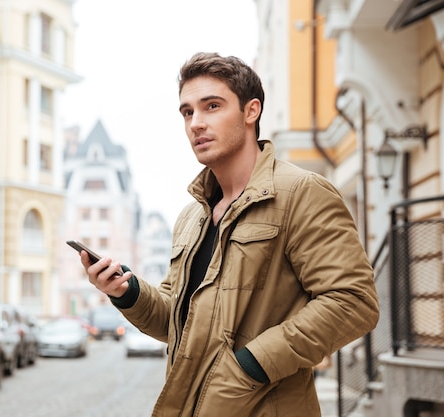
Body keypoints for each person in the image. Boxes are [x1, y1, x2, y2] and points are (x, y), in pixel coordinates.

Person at [78, 52, 379, 417]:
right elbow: (177, 322)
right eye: (187, 112)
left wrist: (251, 365)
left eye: (212, 106)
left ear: (251, 111)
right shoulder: (192, 217)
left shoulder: (302, 193)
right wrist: (126, 292)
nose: (196, 123)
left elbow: (353, 301)